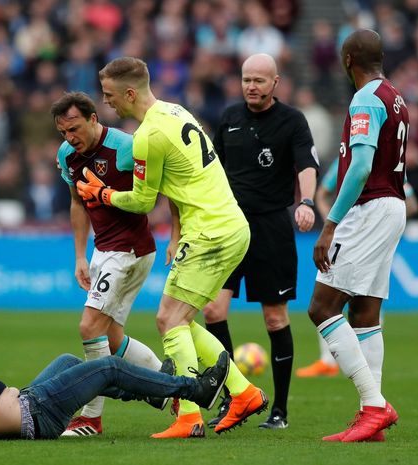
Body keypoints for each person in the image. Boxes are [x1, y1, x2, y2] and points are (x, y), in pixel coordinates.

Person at [77, 56, 268, 438]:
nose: (106, 102)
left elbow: (143, 202)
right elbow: (185, 178)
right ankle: (243, 392)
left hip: (210, 232)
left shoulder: (148, 136)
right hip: (229, 225)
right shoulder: (175, 110)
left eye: (110, 95)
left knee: (169, 321)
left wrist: (102, 193)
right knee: (181, 319)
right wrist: (178, 232)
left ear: (130, 93)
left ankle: (189, 414)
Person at [203, 53, 319, 430]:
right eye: (246, 79)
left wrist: (306, 202)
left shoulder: (292, 121)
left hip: (271, 229)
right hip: (230, 227)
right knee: (213, 312)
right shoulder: (230, 119)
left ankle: (280, 411)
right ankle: (235, 397)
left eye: (259, 80)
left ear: (275, 83)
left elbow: (306, 164)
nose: (251, 86)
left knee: (274, 318)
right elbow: (211, 170)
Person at [0, 310, 230, 441]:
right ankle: (196, 389)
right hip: (37, 414)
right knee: (108, 367)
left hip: (29, 402)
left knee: (69, 361)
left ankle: (153, 392)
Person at [308, 29, 407, 442]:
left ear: (347, 59)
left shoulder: (365, 98)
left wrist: (330, 224)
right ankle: (372, 419)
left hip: (369, 208)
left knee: (322, 307)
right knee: (365, 314)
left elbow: (362, 165)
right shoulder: (396, 97)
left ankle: (373, 405)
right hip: (392, 205)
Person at [51, 91, 166, 437]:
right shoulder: (67, 155)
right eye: (63, 133)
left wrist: (173, 233)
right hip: (104, 249)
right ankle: (173, 392)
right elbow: (77, 203)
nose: (70, 139)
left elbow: (163, 190)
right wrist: (79, 255)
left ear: (93, 119)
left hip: (130, 249)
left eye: (74, 129)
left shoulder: (127, 147)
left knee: (89, 328)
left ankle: (91, 419)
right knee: (112, 339)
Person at [296, 157, 418, 378]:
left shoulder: (380, 160)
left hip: (373, 231)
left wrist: (383, 225)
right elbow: (322, 194)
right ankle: (337, 363)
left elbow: (411, 204)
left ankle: (358, 372)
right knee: (342, 296)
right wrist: (334, 222)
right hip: (352, 231)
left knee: (347, 300)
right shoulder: (348, 158)